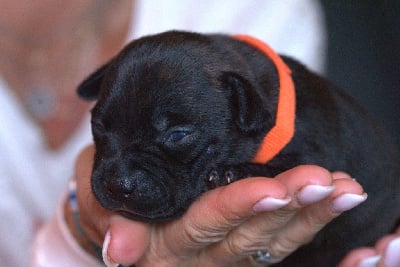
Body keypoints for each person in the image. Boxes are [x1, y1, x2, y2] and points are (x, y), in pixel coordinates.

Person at [0, 1, 398, 266]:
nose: (119, 174)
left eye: (176, 136)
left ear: (246, 111)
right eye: (103, 128)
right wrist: (74, 242)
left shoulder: (255, 13)